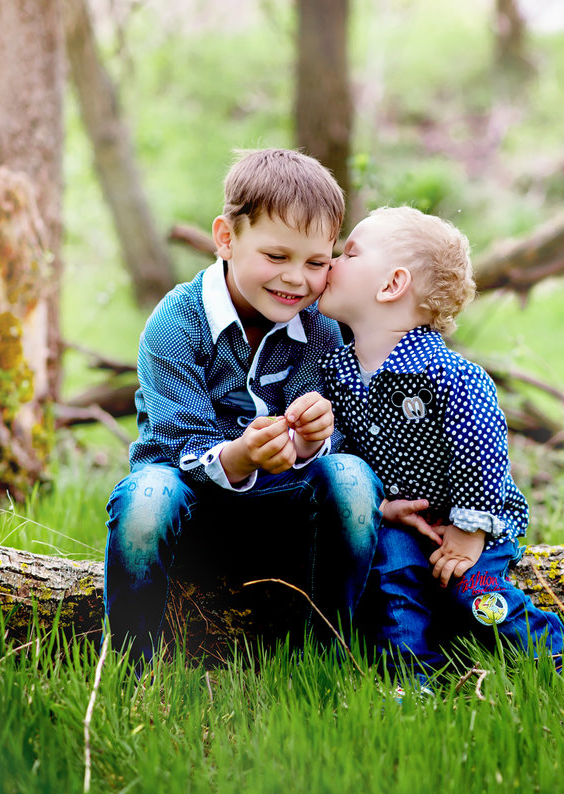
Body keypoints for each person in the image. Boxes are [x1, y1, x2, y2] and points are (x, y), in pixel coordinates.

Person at [104, 149, 383, 667]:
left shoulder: (322, 332)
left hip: (284, 529)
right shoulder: (178, 323)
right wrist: (239, 457)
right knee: (145, 494)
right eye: (277, 257)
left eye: (316, 263)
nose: (297, 280)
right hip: (193, 521)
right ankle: (128, 665)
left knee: (350, 477)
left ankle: (327, 655)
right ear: (226, 238)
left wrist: (308, 441)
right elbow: (168, 443)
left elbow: (341, 442)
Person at [317, 206, 564, 686]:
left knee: (476, 597)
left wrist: (468, 528)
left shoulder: (449, 374)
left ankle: (562, 670)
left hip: (469, 526)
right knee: (393, 587)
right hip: (399, 522)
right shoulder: (337, 369)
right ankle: (411, 682)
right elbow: (343, 446)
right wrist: (377, 503)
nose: (330, 261)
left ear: (391, 285)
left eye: (349, 252)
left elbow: (482, 451)